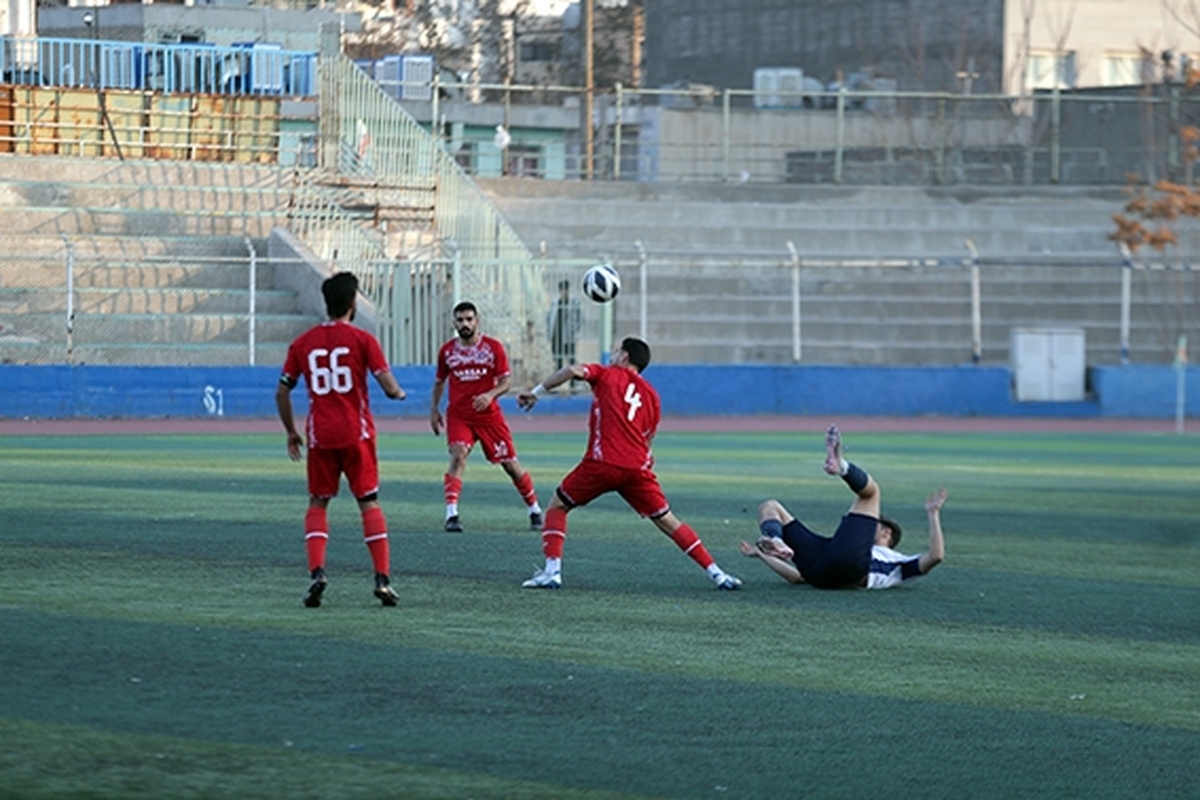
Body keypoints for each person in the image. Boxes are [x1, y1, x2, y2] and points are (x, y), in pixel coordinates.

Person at [516, 336, 743, 591]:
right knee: (669, 521)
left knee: (557, 507)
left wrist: (536, 393)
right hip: (637, 469)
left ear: (624, 357)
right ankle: (718, 574)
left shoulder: (606, 373)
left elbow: (571, 370)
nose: (612, 355)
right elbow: (649, 440)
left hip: (601, 464)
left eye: (615, 351)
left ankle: (552, 572)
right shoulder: (652, 396)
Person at [275, 271, 408, 608]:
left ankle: (317, 573)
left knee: (318, 503)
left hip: (320, 436)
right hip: (357, 434)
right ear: (352, 303)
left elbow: (282, 390)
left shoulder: (303, 343)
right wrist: (400, 393)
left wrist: (291, 431)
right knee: (369, 503)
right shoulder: (364, 340)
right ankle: (382, 579)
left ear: (326, 302)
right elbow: (390, 388)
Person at [741, 424, 945, 589]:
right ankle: (775, 538)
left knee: (872, 494)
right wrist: (762, 554)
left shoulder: (899, 563)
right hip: (820, 572)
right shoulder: (848, 549)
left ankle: (842, 467)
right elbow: (797, 578)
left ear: (886, 533)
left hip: (852, 565)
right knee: (770, 507)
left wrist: (933, 514)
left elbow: (936, 556)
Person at [430, 301, 542, 533]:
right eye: (460, 320)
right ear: (454, 323)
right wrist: (433, 410)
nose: (465, 324)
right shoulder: (447, 351)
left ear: (477, 321)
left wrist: (490, 395)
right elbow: (440, 381)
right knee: (458, 457)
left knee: (511, 465)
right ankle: (452, 514)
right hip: (460, 415)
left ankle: (534, 508)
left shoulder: (493, 348)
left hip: (489, 417)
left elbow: (506, 382)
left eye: (469, 319)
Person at [548, 279, 582, 370]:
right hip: (556, 334)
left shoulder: (573, 303)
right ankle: (557, 379)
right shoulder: (555, 303)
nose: (564, 292)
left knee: (570, 358)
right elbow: (549, 318)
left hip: (568, 336)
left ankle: (573, 381)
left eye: (566, 290)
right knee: (557, 358)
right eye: (562, 290)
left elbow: (579, 318)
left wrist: (575, 331)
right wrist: (549, 332)